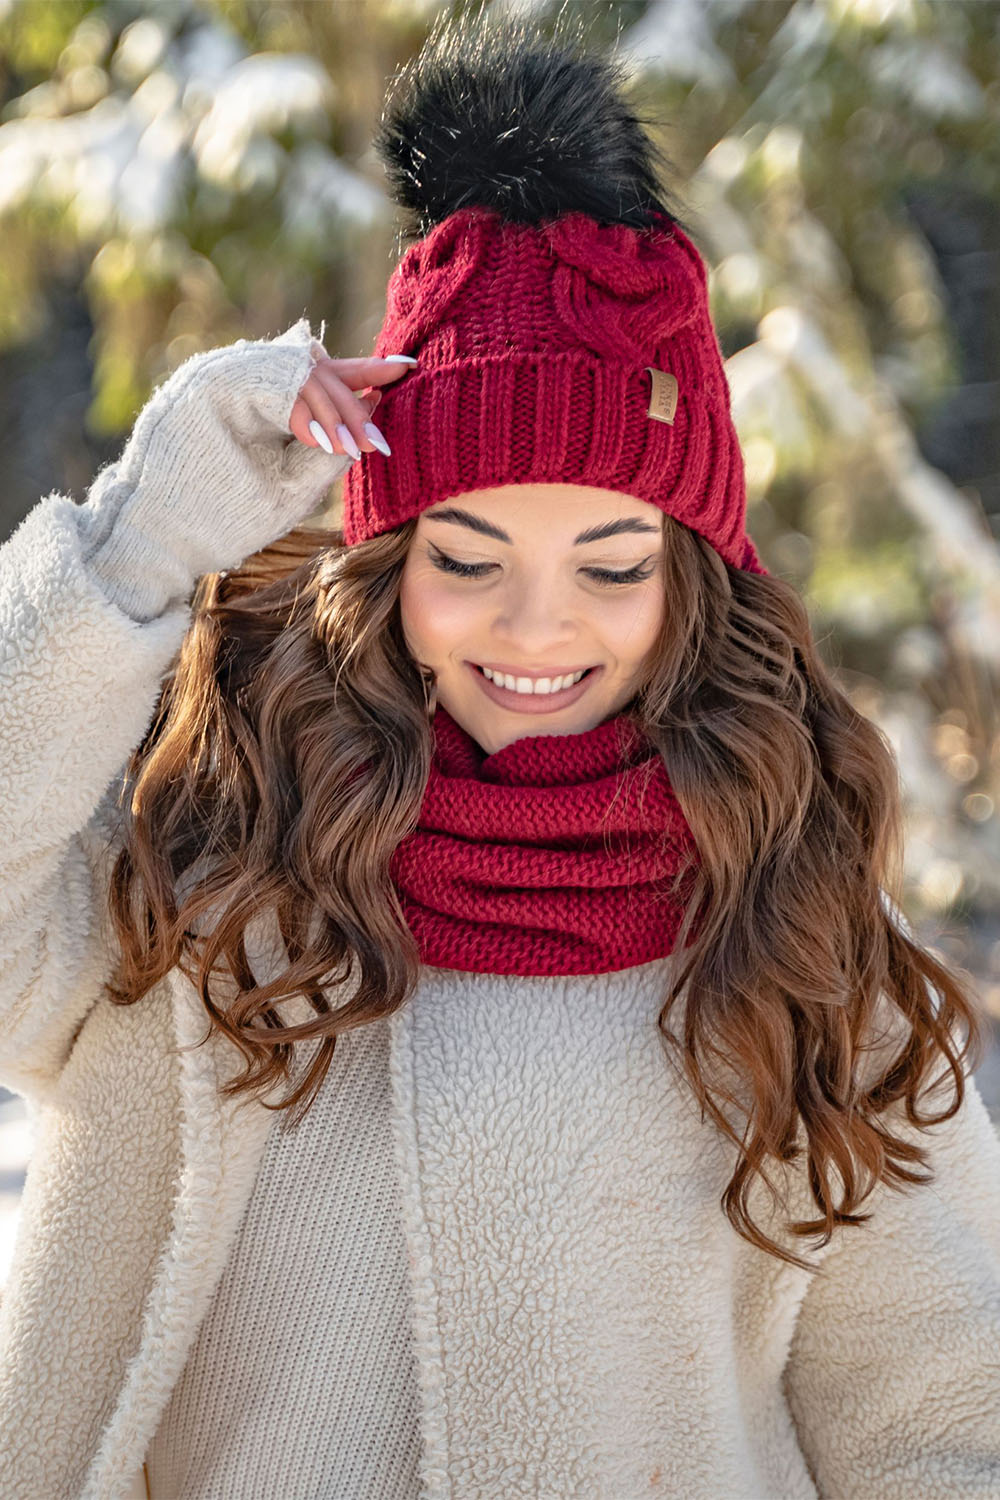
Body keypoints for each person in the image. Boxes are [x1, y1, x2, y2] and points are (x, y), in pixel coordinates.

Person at [1, 13, 999, 1500]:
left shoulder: (790, 938)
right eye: (467, 557)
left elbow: (943, 1423)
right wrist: (144, 533)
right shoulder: (211, 880)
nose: (538, 627)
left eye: (612, 565)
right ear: (389, 560)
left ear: (693, 582)